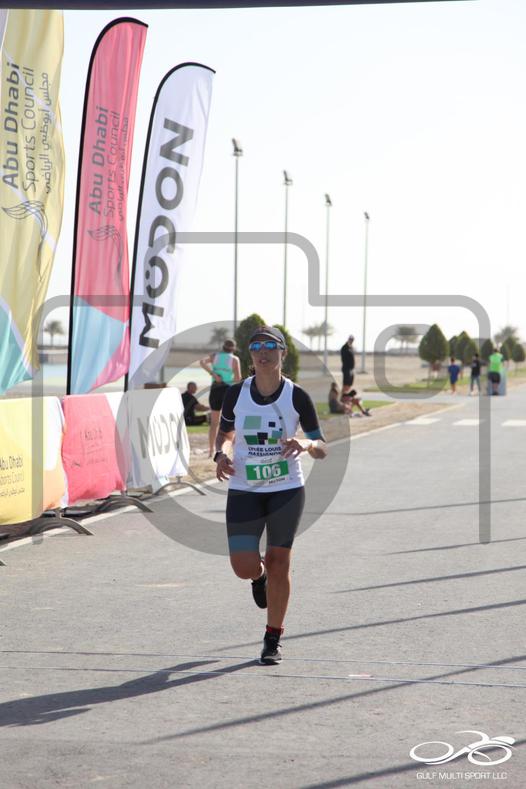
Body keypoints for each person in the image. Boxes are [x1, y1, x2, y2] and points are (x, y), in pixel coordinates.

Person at [214, 326, 327, 665]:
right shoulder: (236, 393)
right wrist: (221, 454)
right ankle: (258, 576)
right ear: (249, 355)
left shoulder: (297, 396)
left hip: (286, 489)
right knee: (242, 566)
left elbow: (322, 446)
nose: (263, 352)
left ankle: (273, 637)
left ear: (282, 352)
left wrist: (305, 443)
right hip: (244, 488)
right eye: (256, 347)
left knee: (280, 561)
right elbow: (225, 433)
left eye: (270, 346)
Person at [200, 339, 241, 456]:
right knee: (232, 421)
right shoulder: (234, 359)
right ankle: (234, 450)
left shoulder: (215, 356)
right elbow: (238, 379)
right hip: (228, 390)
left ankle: (211, 450)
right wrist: (229, 379)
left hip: (215, 389)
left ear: (223, 347)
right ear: (233, 349)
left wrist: (213, 374)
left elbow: (202, 362)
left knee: (214, 423)